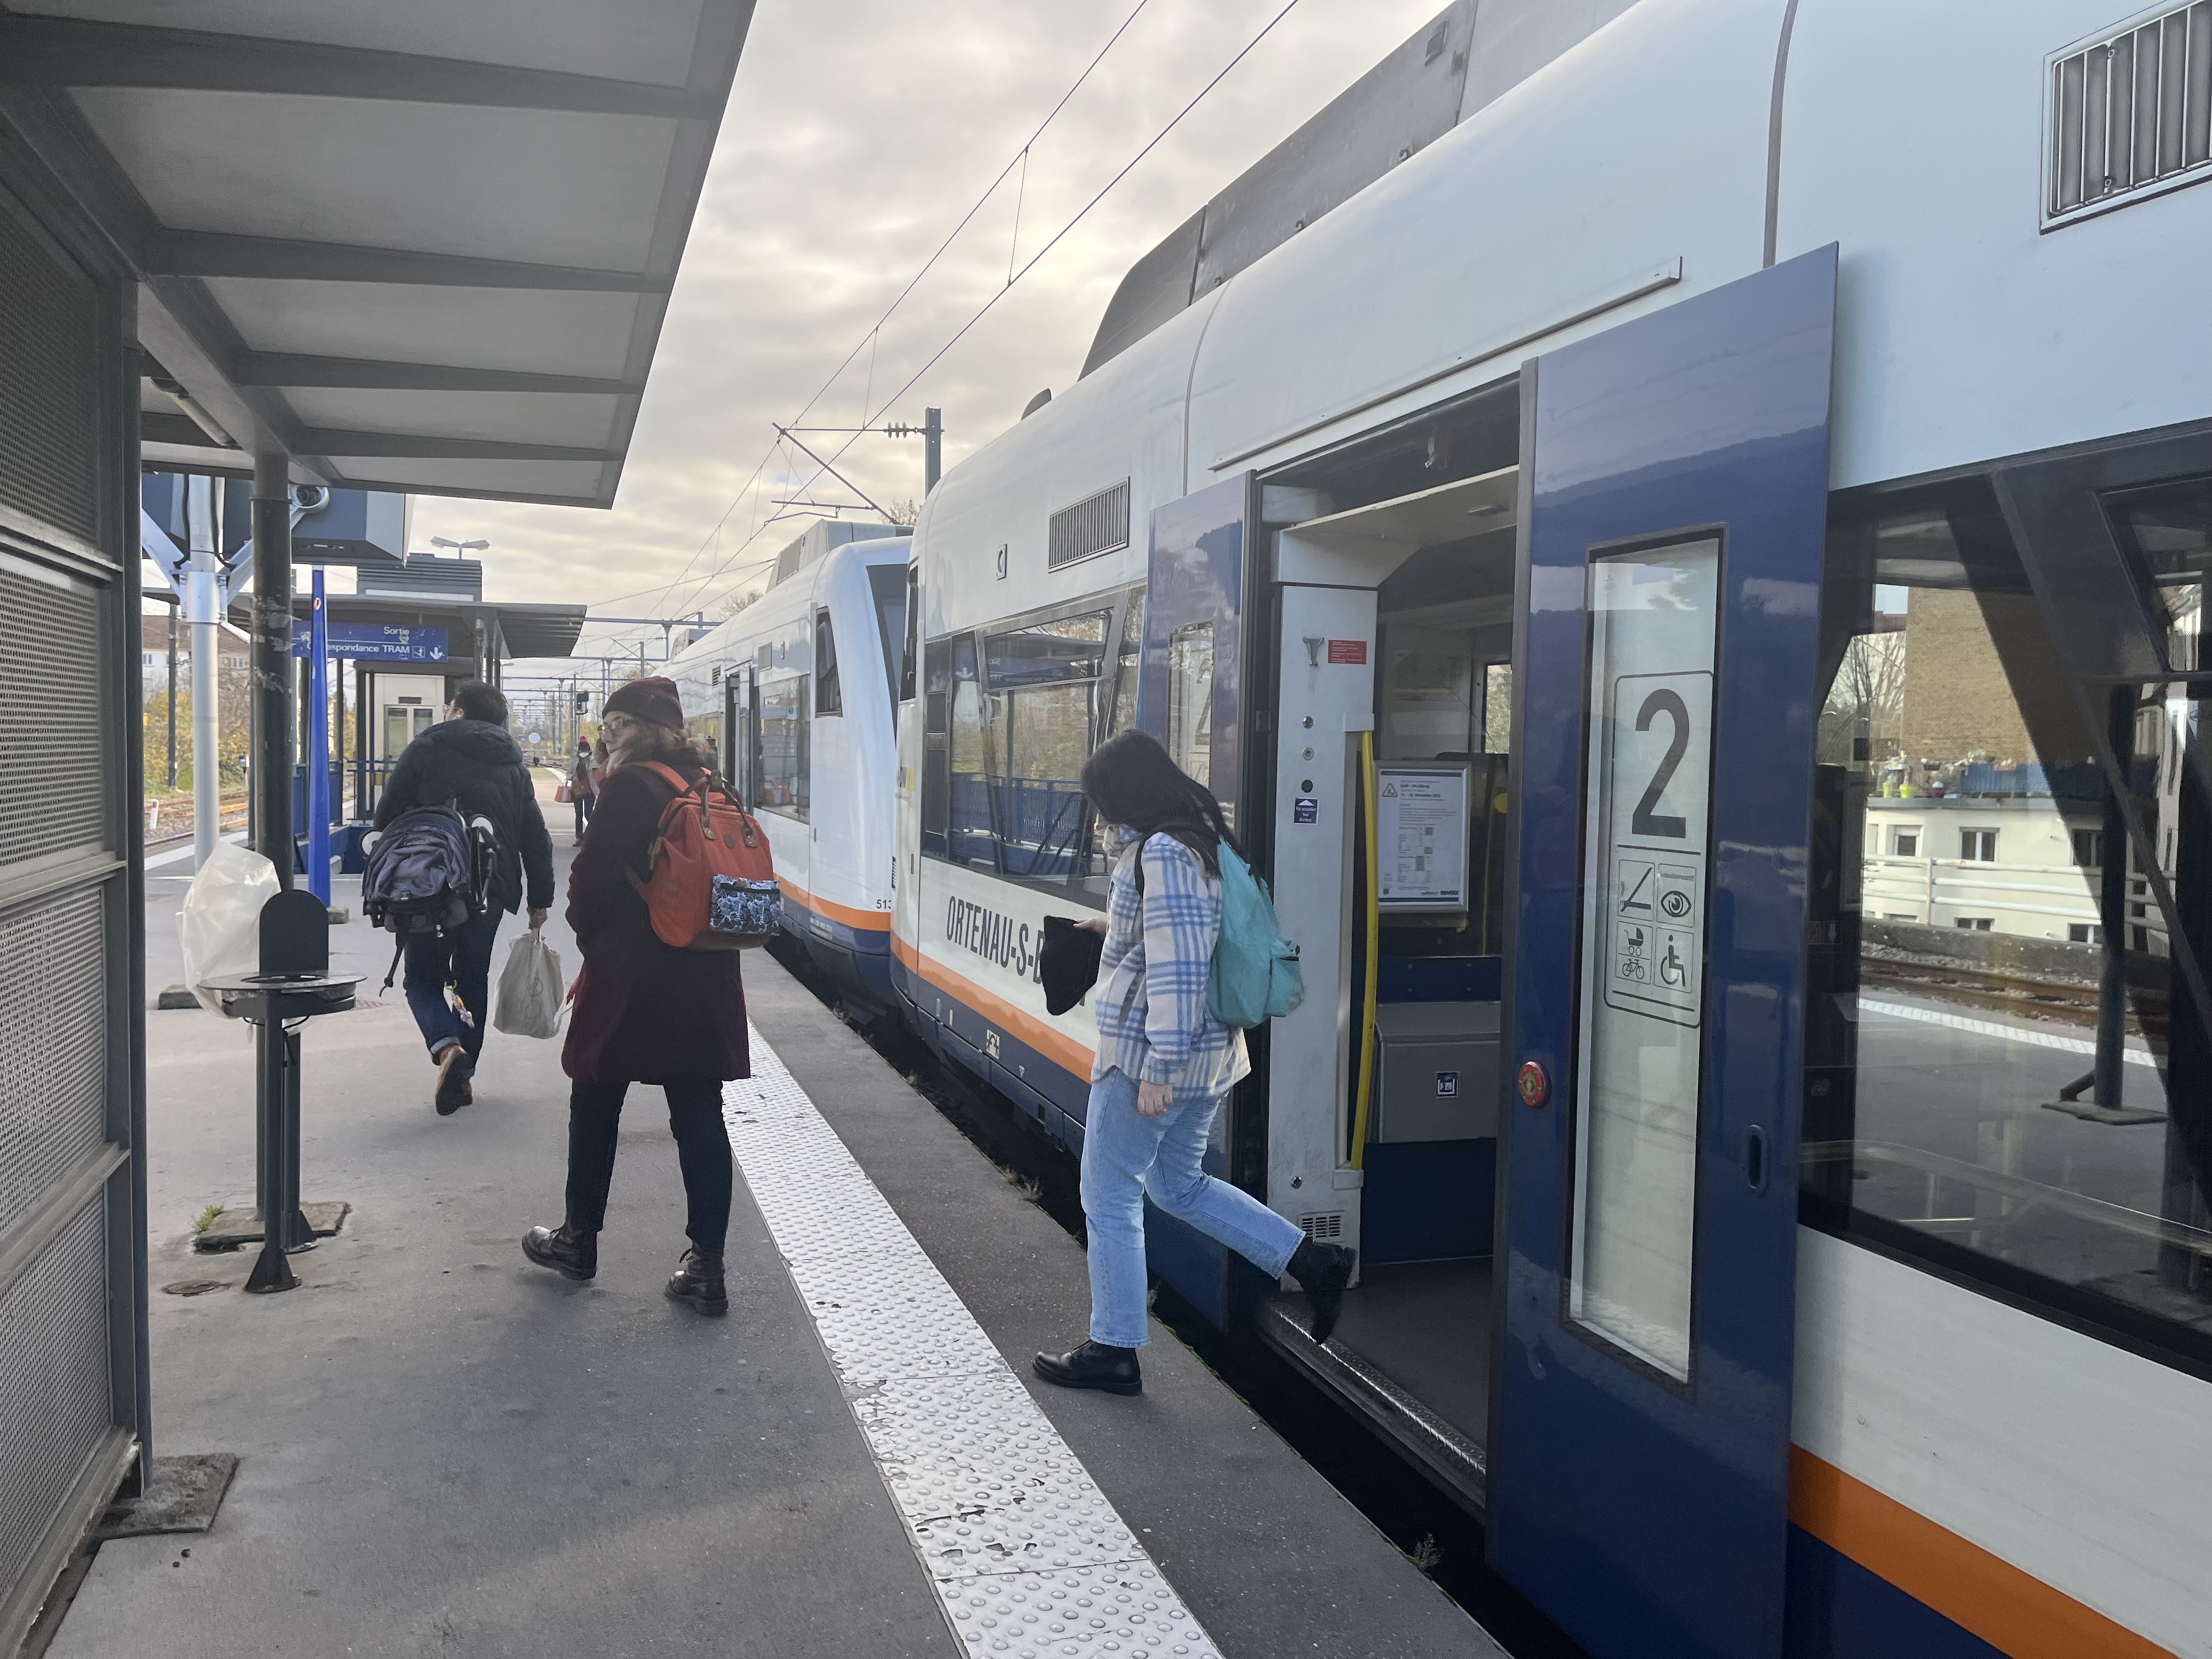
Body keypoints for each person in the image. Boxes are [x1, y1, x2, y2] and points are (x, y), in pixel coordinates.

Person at [1034, 730, 1356, 1397]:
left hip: (1151, 1058)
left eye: (1103, 800)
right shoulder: (1197, 841)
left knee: (1108, 1195)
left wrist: (1159, 1069)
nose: (1101, 815)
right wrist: (1108, 929)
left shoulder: (1164, 852)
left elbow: (1179, 968)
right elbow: (1186, 937)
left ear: (1127, 793)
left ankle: (1113, 1348)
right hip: (1207, 1057)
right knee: (1178, 1187)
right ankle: (1312, 1261)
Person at [522, 676, 748, 1314]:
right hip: (704, 967)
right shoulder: (707, 781)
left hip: (633, 970)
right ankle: (707, 1267)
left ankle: (578, 1240)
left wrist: (594, 941)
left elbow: (590, 880)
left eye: (617, 724)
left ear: (644, 730)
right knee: (700, 1114)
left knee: (595, 1098)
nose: (607, 735)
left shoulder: (631, 785)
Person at [373, 678, 552, 1116]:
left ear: (457, 711)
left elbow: (388, 815)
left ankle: (446, 1046)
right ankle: (464, 1079)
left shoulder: (427, 747)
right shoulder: (513, 764)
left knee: (423, 979)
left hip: (431, 884)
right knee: (471, 978)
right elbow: (535, 836)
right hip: (492, 886)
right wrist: (540, 899)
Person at [568, 737, 596, 838]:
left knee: (589, 814)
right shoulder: (574, 758)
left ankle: (591, 835)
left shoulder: (593, 759)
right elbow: (570, 772)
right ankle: (579, 837)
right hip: (577, 789)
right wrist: (572, 778)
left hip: (590, 789)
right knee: (579, 814)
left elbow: (596, 772)